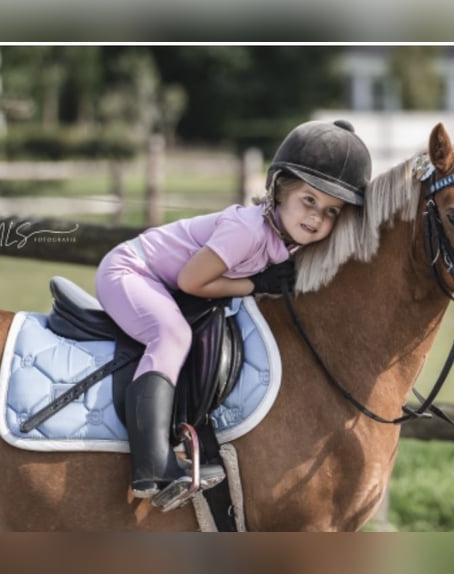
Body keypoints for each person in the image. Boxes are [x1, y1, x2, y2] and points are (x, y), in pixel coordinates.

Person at [95, 119, 372, 500]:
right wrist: (256, 284)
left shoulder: (289, 238)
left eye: (331, 212)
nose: (317, 218)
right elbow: (193, 281)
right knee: (172, 334)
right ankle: (151, 463)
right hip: (130, 271)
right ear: (278, 190)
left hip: (165, 281)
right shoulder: (249, 230)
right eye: (309, 200)